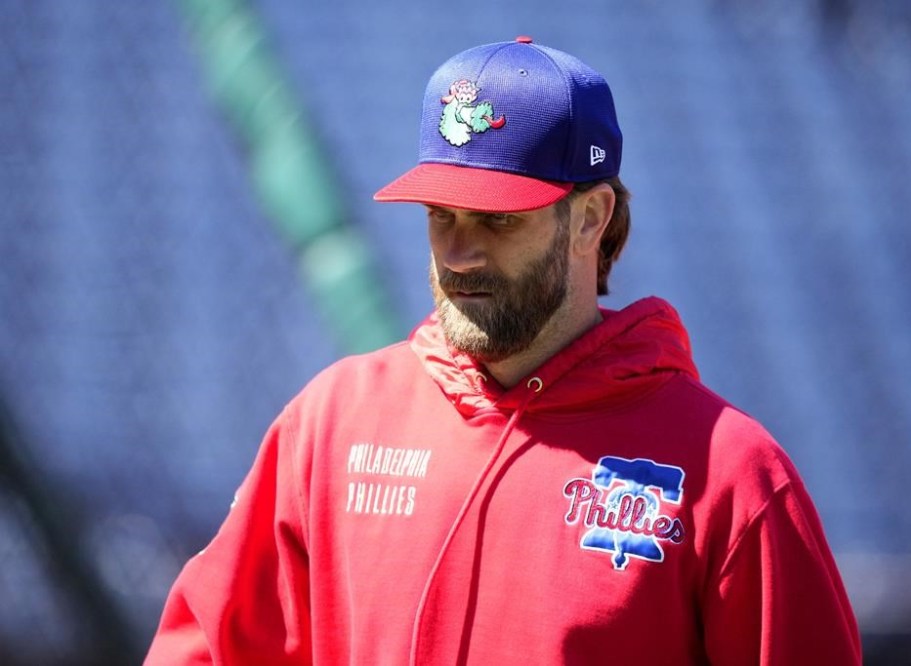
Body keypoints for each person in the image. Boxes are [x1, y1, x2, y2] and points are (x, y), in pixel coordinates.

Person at [146, 37, 862, 665]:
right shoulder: (331, 425)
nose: (459, 254)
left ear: (590, 218)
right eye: (441, 216)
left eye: (497, 221)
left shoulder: (730, 474)